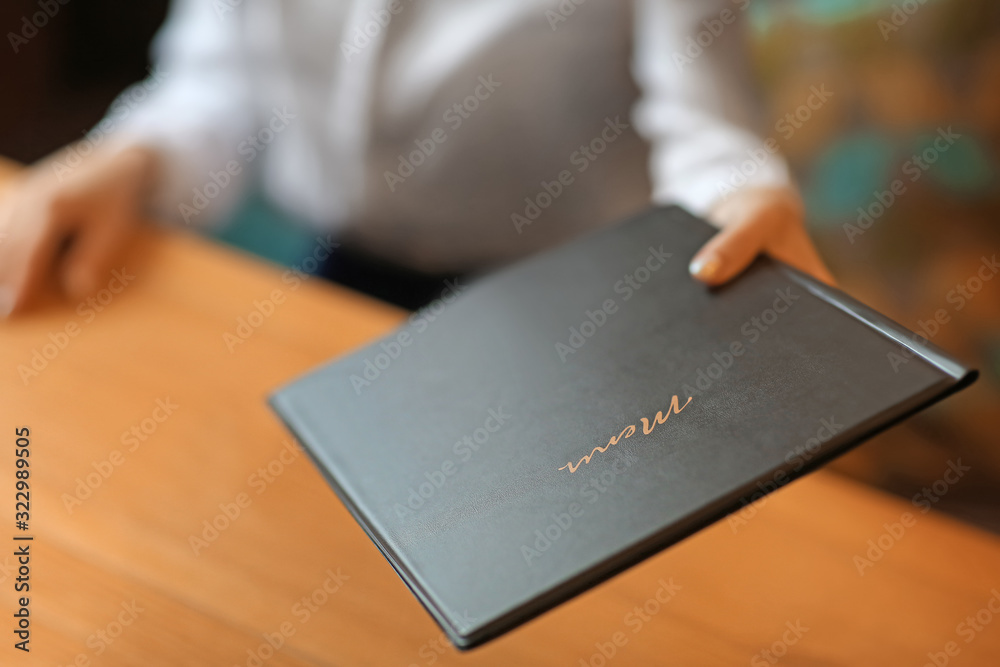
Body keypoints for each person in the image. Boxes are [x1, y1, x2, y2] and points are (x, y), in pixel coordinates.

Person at [0, 0, 833, 316]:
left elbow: (706, 133)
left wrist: (742, 197)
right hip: (337, 274)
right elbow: (218, 85)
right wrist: (131, 155)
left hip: (562, 305)